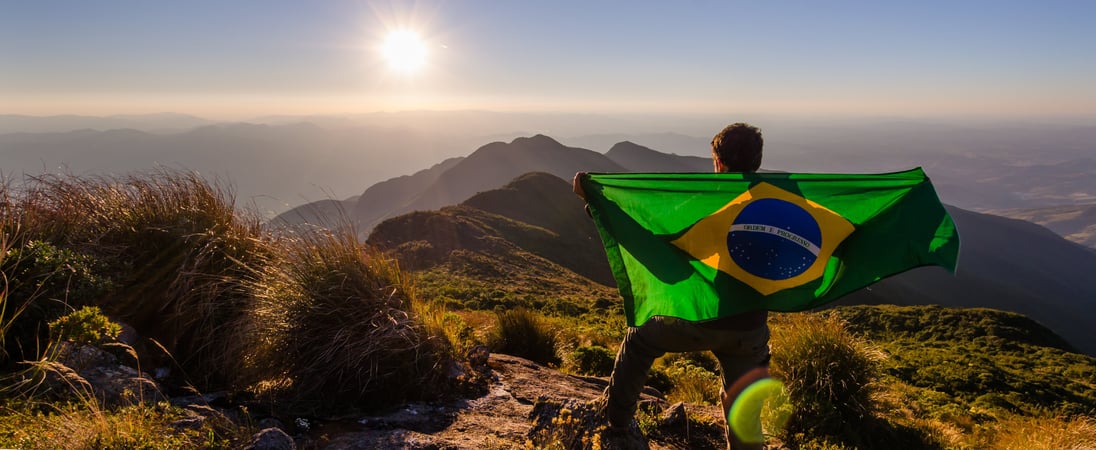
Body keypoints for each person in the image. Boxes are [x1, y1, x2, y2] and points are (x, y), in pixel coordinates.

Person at [573, 123, 771, 450]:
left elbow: (649, 238)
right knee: (743, 404)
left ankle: (615, 425)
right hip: (747, 327)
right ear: (758, 162)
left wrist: (594, 200)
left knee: (639, 341)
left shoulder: (704, 203)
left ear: (719, 163)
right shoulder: (780, 206)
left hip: (693, 318)